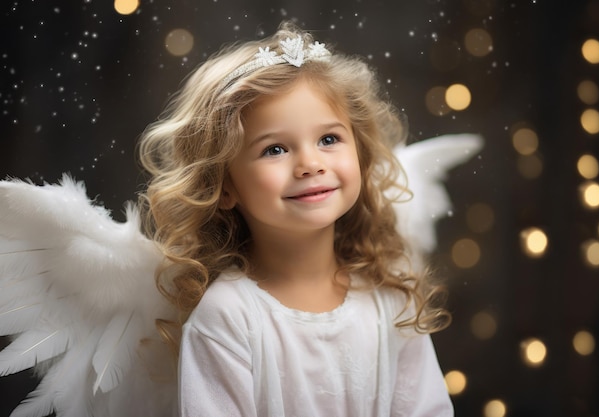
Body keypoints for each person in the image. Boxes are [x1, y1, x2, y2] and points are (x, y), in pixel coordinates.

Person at [137, 21, 454, 416]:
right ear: (224, 186)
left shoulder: (389, 298)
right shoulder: (228, 317)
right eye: (275, 149)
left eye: (328, 139)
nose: (309, 164)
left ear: (360, 151)